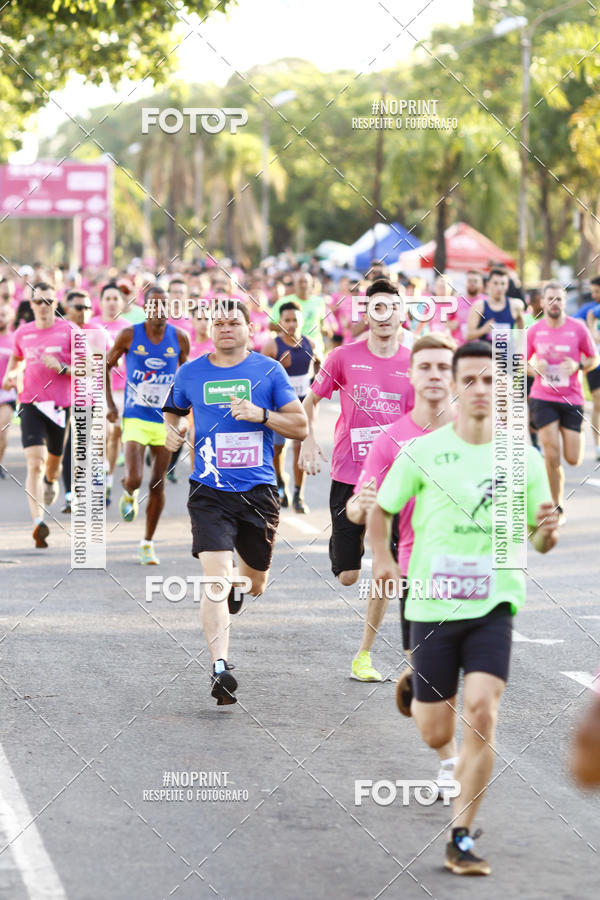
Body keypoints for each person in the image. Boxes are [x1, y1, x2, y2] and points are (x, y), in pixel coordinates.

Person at [369, 340, 559, 876]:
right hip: (432, 605)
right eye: (469, 380)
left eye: (491, 380)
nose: (480, 389)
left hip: (494, 602)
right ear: (454, 386)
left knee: (481, 711)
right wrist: (382, 557)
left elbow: (538, 539)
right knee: (435, 732)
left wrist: (547, 532)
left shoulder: (522, 458)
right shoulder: (424, 453)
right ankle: (418, 685)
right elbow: (382, 509)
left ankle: (461, 836)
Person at [162, 298, 307, 705]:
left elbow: (300, 426)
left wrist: (261, 415)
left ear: (249, 329)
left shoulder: (269, 370)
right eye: (219, 323)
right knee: (215, 580)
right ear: (210, 330)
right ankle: (220, 666)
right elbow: (172, 413)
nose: (226, 328)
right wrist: (173, 431)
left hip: (258, 491)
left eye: (234, 322)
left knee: (255, 583)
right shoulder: (190, 372)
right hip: (209, 491)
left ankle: (238, 587)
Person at [347, 332, 458, 795]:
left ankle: (461, 761)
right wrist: (360, 506)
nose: (434, 375)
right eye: (425, 367)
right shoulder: (392, 440)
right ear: (411, 376)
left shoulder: (480, 432)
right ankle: (448, 755)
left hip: (477, 575)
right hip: (419, 570)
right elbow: (359, 505)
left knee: (482, 688)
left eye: (443, 367)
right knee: (433, 685)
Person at [299, 280, 414, 682]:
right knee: (348, 575)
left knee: (388, 568)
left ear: (402, 313)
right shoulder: (343, 357)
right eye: (376, 308)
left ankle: (364, 654)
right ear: (366, 314)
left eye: (392, 307)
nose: (384, 315)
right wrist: (308, 440)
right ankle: (349, 546)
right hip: (350, 475)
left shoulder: (413, 362)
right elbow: (310, 400)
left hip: (396, 479)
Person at [105, 285, 189, 565]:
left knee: (157, 483)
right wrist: (111, 405)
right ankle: (128, 491)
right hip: (136, 417)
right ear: (145, 307)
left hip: (166, 421)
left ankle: (147, 543)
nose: (159, 310)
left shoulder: (180, 338)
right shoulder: (129, 334)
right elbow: (105, 366)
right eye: (154, 305)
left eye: (165, 305)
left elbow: (188, 375)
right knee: (135, 478)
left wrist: (185, 413)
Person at [2, 282, 73, 547]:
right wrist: (10, 376)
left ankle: (51, 481)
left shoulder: (69, 330)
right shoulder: (23, 332)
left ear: (56, 304)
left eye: (48, 301)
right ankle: (38, 523)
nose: (43, 306)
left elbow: (91, 366)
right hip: (30, 403)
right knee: (35, 462)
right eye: (38, 301)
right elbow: (16, 360)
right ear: (31, 305)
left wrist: (63, 368)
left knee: (52, 465)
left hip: (60, 406)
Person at [527, 282, 598, 521]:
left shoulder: (578, 328)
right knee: (551, 452)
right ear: (543, 302)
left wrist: (578, 365)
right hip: (543, 397)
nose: (554, 303)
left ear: (564, 302)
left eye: (558, 299)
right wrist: (535, 368)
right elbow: (520, 363)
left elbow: (594, 359)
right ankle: (556, 505)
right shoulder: (535, 330)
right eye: (550, 299)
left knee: (573, 458)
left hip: (572, 398)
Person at [262, 301, 320, 512]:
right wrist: (279, 368)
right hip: (279, 406)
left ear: (301, 321)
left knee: (299, 447)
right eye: (287, 320)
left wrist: (316, 375)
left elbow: (319, 368)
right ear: (280, 322)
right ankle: (280, 482)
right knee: (278, 448)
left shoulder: (310, 344)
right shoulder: (272, 346)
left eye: (295, 320)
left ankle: (298, 495)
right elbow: (261, 379)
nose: (291, 324)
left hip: (303, 404)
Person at [88, 282, 128, 506]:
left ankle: (108, 477)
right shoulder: (92, 326)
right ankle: (99, 472)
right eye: (108, 298)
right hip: (99, 388)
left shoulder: (129, 328)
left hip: (123, 390)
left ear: (122, 302)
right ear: (101, 302)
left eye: (116, 298)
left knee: (115, 437)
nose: (112, 303)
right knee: (102, 433)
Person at [270, 271, 330, 360]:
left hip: (315, 349)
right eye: (300, 282)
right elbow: (271, 325)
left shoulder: (319, 301)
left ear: (311, 284)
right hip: (291, 350)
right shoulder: (283, 301)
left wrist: (326, 329)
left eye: (306, 282)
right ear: (294, 284)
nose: (303, 285)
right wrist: (290, 327)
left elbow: (322, 323)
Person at [466, 268, 524, 341]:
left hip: (507, 348)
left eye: (503, 284)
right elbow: (468, 336)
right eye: (495, 283)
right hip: (485, 348)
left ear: (507, 285)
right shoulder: (479, 306)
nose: (499, 288)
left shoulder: (516, 306)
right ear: (488, 284)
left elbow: (522, 334)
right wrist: (483, 330)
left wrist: (518, 345)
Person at [584, 276, 600, 459]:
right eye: (593, 291)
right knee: (598, 401)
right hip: (595, 363)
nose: (594, 295)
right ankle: (597, 445)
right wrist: (591, 328)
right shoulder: (591, 310)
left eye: (597, 291)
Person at [0, 304, 17, 477]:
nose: (0, 318)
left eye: (3, 314)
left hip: (6, 392)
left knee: (2, 432)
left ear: (10, 317)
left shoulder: (14, 339)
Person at [448, 270, 484, 345]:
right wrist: (454, 324)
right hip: (460, 345)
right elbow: (446, 321)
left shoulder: (486, 301)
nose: (472, 284)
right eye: (469, 281)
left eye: (475, 281)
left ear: (481, 284)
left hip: (480, 345)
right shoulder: (457, 301)